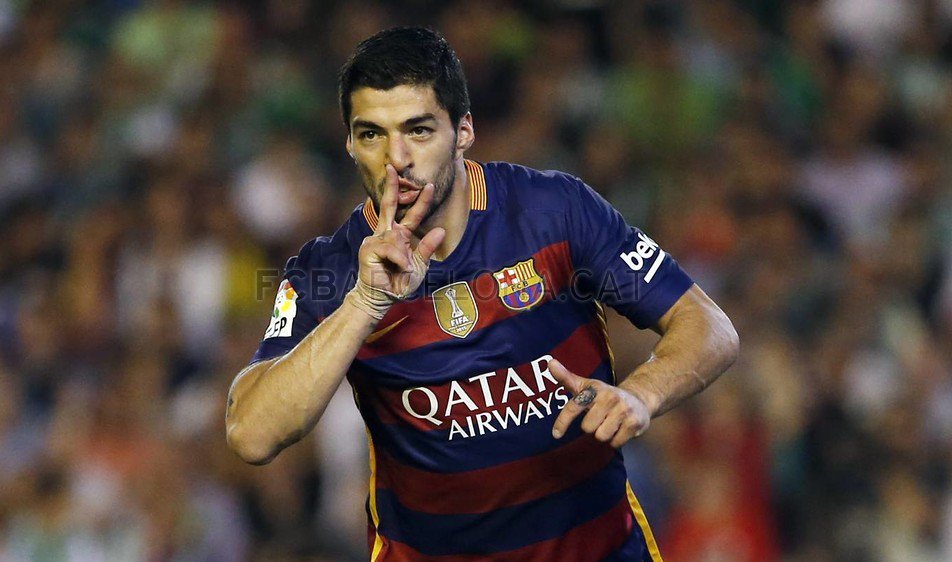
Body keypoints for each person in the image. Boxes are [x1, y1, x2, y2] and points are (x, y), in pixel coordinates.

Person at [225, 26, 739, 562]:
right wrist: (363, 303)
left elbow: (711, 327)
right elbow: (251, 435)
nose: (396, 158)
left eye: (418, 130)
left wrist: (641, 395)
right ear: (350, 144)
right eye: (372, 134)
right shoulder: (327, 272)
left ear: (464, 130)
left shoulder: (554, 212)